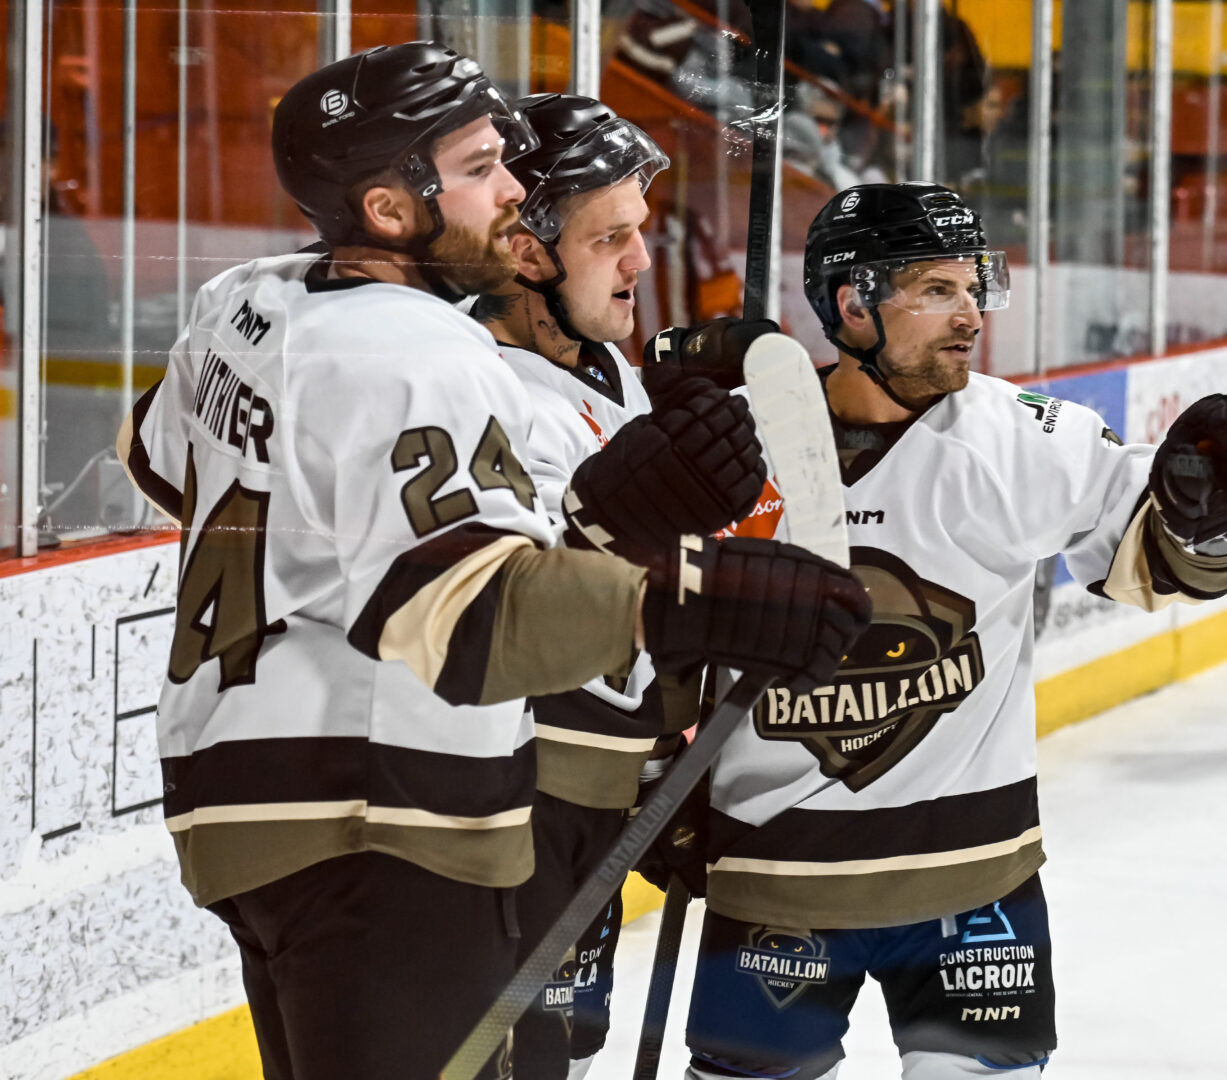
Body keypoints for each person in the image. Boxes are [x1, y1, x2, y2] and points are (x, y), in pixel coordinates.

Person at [115, 43, 870, 1080]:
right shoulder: (419, 357)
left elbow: (155, 459)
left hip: (250, 807)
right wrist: (703, 599)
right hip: (377, 823)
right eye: (479, 169)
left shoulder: (250, 300)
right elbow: (469, 622)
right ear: (389, 208)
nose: (510, 192)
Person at [654, 183, 1227, 1079]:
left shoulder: (1025, 439)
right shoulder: (736, 448)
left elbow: (1165, 564)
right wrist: (653, 779)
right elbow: (648, 631)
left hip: (975, 885)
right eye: (937, 291)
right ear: (854, 304)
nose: (971, 315)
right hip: (778, 876)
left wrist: (1206, 516)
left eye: (975, 286)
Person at [470, 92, 778, 1079]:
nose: (643, 261)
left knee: (564, 1046)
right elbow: (500, 626)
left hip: (591, 811)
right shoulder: (478, 399)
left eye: (639, 230)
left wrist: (665, 774)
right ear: (524, 251)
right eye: (613, 238)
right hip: (505, 824)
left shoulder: (607, 365)